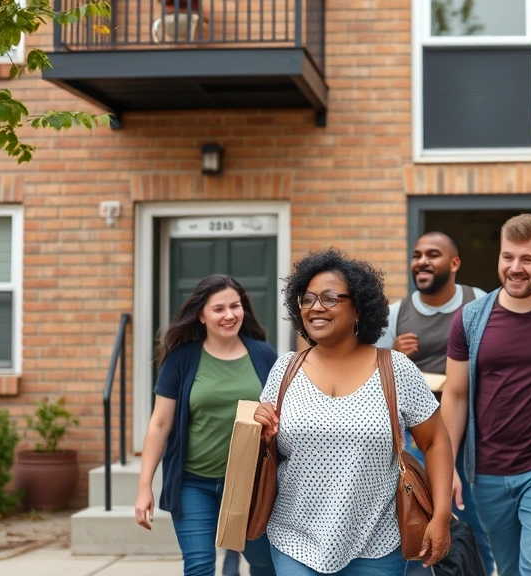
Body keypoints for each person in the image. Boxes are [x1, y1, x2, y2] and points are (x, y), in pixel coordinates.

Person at [253, 248, 454, 576]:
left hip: (377, 543)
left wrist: (441, 516)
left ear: (359, 308)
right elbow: (264, 450)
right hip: (294, 538)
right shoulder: (284, 370)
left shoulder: (395, 369)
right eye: (307, 299)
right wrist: (259, 429)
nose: (316, 307)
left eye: (330, 298)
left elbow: (436, 441)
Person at [441, 214, 531, 576]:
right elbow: (456, 395)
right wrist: (445, 467)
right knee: (508, 570)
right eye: (508, 257)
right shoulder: (470, 318)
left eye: (527, 259)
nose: (515, 268)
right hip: (488, 473)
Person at [134, 274, 277, 576]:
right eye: (219, 309)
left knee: (265, 563)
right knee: (199, 566)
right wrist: (144, 486)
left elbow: (282, 415)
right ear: (201, 315)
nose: (230, 315)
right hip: (193, 483)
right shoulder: (182, 359)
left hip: (249, 483)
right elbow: (159, 424)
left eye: (235, 306)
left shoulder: (263, 354)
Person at [376, 231, 495, 576]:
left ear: (454, 263)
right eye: (417, 255)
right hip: (414, 436)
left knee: (471, 527)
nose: (422, 262)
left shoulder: (478, 302)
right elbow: (373, 375)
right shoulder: (396, 314)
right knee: (414, 524)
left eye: (433, 254)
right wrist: (394, 354)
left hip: (468, 431)